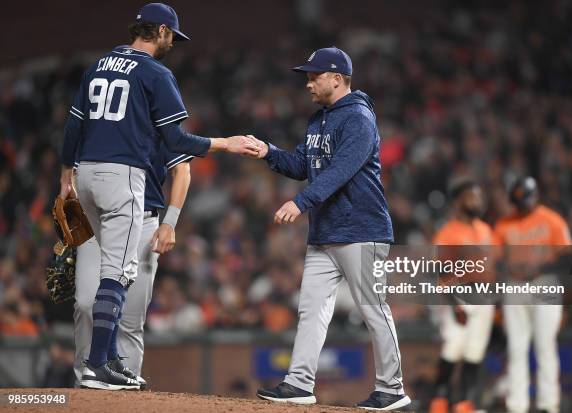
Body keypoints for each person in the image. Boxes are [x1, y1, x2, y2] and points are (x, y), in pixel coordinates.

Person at [59, 2, 258, 390]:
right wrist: (226, 143)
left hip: (85, 176)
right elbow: (178, 140)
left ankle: (109, 360)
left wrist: (67, 171)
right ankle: (98, 365)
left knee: (100, 293)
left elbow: (73, 125)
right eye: (172, 37)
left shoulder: (98, 65)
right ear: (161, 32)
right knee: (117, 275)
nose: (173, 44)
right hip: (124, 180)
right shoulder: (156, 73)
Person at [250, 46, 411, 411]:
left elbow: (340, 172)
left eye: (314, 76)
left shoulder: (358, 118)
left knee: (373, 309)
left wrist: (300, 202)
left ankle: (393, 388)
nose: (308, 83)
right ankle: (299, 383)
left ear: (337, 79)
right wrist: (267, 152)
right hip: (325, 233)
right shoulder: (318, 119)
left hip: (362, 229)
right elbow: (302, 165)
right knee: (311, 309)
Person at [72, 143, 192, 389]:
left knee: (129, 318)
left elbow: (182, 170)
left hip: (144, 222)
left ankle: (124, 392)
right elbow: (75, 169)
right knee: (85, 304)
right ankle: (86, 385)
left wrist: (169, 222)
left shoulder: (158, 115)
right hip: (97, 220)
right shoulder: (102, 112)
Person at [494, 177, 572, 413]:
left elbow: (567, 257)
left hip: (544, 283)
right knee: (517, 348)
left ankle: (549, 405)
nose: (526, 203)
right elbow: (495, 260)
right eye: (521, 199)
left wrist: (540, 268)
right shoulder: (504, 224)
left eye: (528, 197)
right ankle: (517, 405)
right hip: (515, 286)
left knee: (545, 346)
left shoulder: (551, 220)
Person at [429, 178, 496, 413]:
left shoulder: (486, 230)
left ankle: (463, 402)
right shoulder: (448, 232)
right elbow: (441, 272)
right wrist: (454, 305)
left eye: (479, 196)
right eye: (471, 196)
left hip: (484, 296)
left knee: (474, 351)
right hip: (459, 295)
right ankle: (439, 400)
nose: (477, 200)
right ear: (458, 201)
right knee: (453, 346)